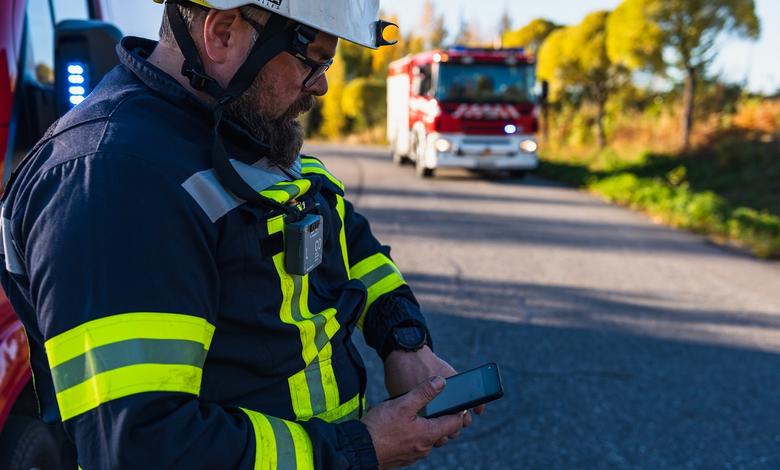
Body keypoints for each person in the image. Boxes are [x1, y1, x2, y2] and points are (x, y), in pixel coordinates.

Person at [0, 0, 485, 468]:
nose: (320, 87)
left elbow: (346, 238)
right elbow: (142, 449)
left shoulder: (239, 128)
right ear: (223, 33)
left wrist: (403, 341)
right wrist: (358, 450)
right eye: (313, 60)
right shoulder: (113, 183)